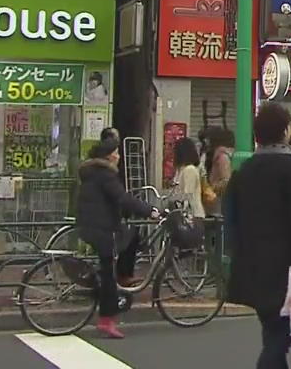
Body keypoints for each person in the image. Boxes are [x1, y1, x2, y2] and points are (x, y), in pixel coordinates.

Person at [226, 103, 291, 369]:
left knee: (271, 330)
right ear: (284, 130)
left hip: (252, 262)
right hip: (287, 264)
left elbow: (232, 216)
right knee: (281, 337)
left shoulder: (245, 169)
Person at [76, 139, 158, 339]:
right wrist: (150, 211)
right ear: (108, 156)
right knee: (107, 275)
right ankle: (107, 320)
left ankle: (123, 276)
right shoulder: (105, 175)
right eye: (116, 152)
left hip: (91, 224)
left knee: (131, 236)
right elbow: (122, 198)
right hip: (100, 228)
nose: (119, 156)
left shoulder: (92, 173)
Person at [171, 137, 205, 219]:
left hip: (192, 216)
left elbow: (188, 194)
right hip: (183, 215)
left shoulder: (190, 170)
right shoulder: (180, 170)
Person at [205, 127, 235, 214]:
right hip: (215, 200)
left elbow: (226, 180)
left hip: (218, 201)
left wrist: (212, 187)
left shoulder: (222, 157)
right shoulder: (219, 156)